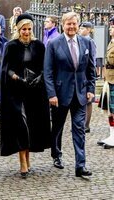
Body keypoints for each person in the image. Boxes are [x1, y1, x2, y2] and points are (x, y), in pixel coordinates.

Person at [44, 12, 96, 177]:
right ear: (63, 25)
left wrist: (90, 90)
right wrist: (51, 94)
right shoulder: (54, 44)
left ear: (78, 25)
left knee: (79, 129)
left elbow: (91, 69)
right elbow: (48, 71)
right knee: (57, 127)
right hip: (60, 95)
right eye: (68, 24)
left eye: (74, 24)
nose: (72, 27)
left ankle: (80, 165)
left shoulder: (86, 42)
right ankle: (56, 154)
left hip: (80, 93)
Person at [0, 13, 51, 178]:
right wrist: (17, 77)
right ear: (18, 29)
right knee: (21, 125)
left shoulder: (39, 45)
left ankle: (28, 159)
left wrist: (39, 77)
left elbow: (45, 67)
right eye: (23, 29)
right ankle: (22, 162)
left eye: (29, 29)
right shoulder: (11, 45)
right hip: (16, 92)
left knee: (31, 125)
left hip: (35, 92)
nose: (27, 32)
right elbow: (5, 68)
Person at [97, 17, 114, 149]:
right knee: (110, 109)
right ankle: (111, 134)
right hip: (109, 79)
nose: (111, 29)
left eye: (113, 26)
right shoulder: (112, 41)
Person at [78, 21, 97, 133]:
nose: (80, 30)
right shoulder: (79, 40)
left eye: (83, 28)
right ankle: (81, 123)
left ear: (88, 30)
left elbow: (92, 59)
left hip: (87, 71)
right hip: (81, 72)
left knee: (88, 100)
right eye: (80, 28)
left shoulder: (90, 41)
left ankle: (86, 125)